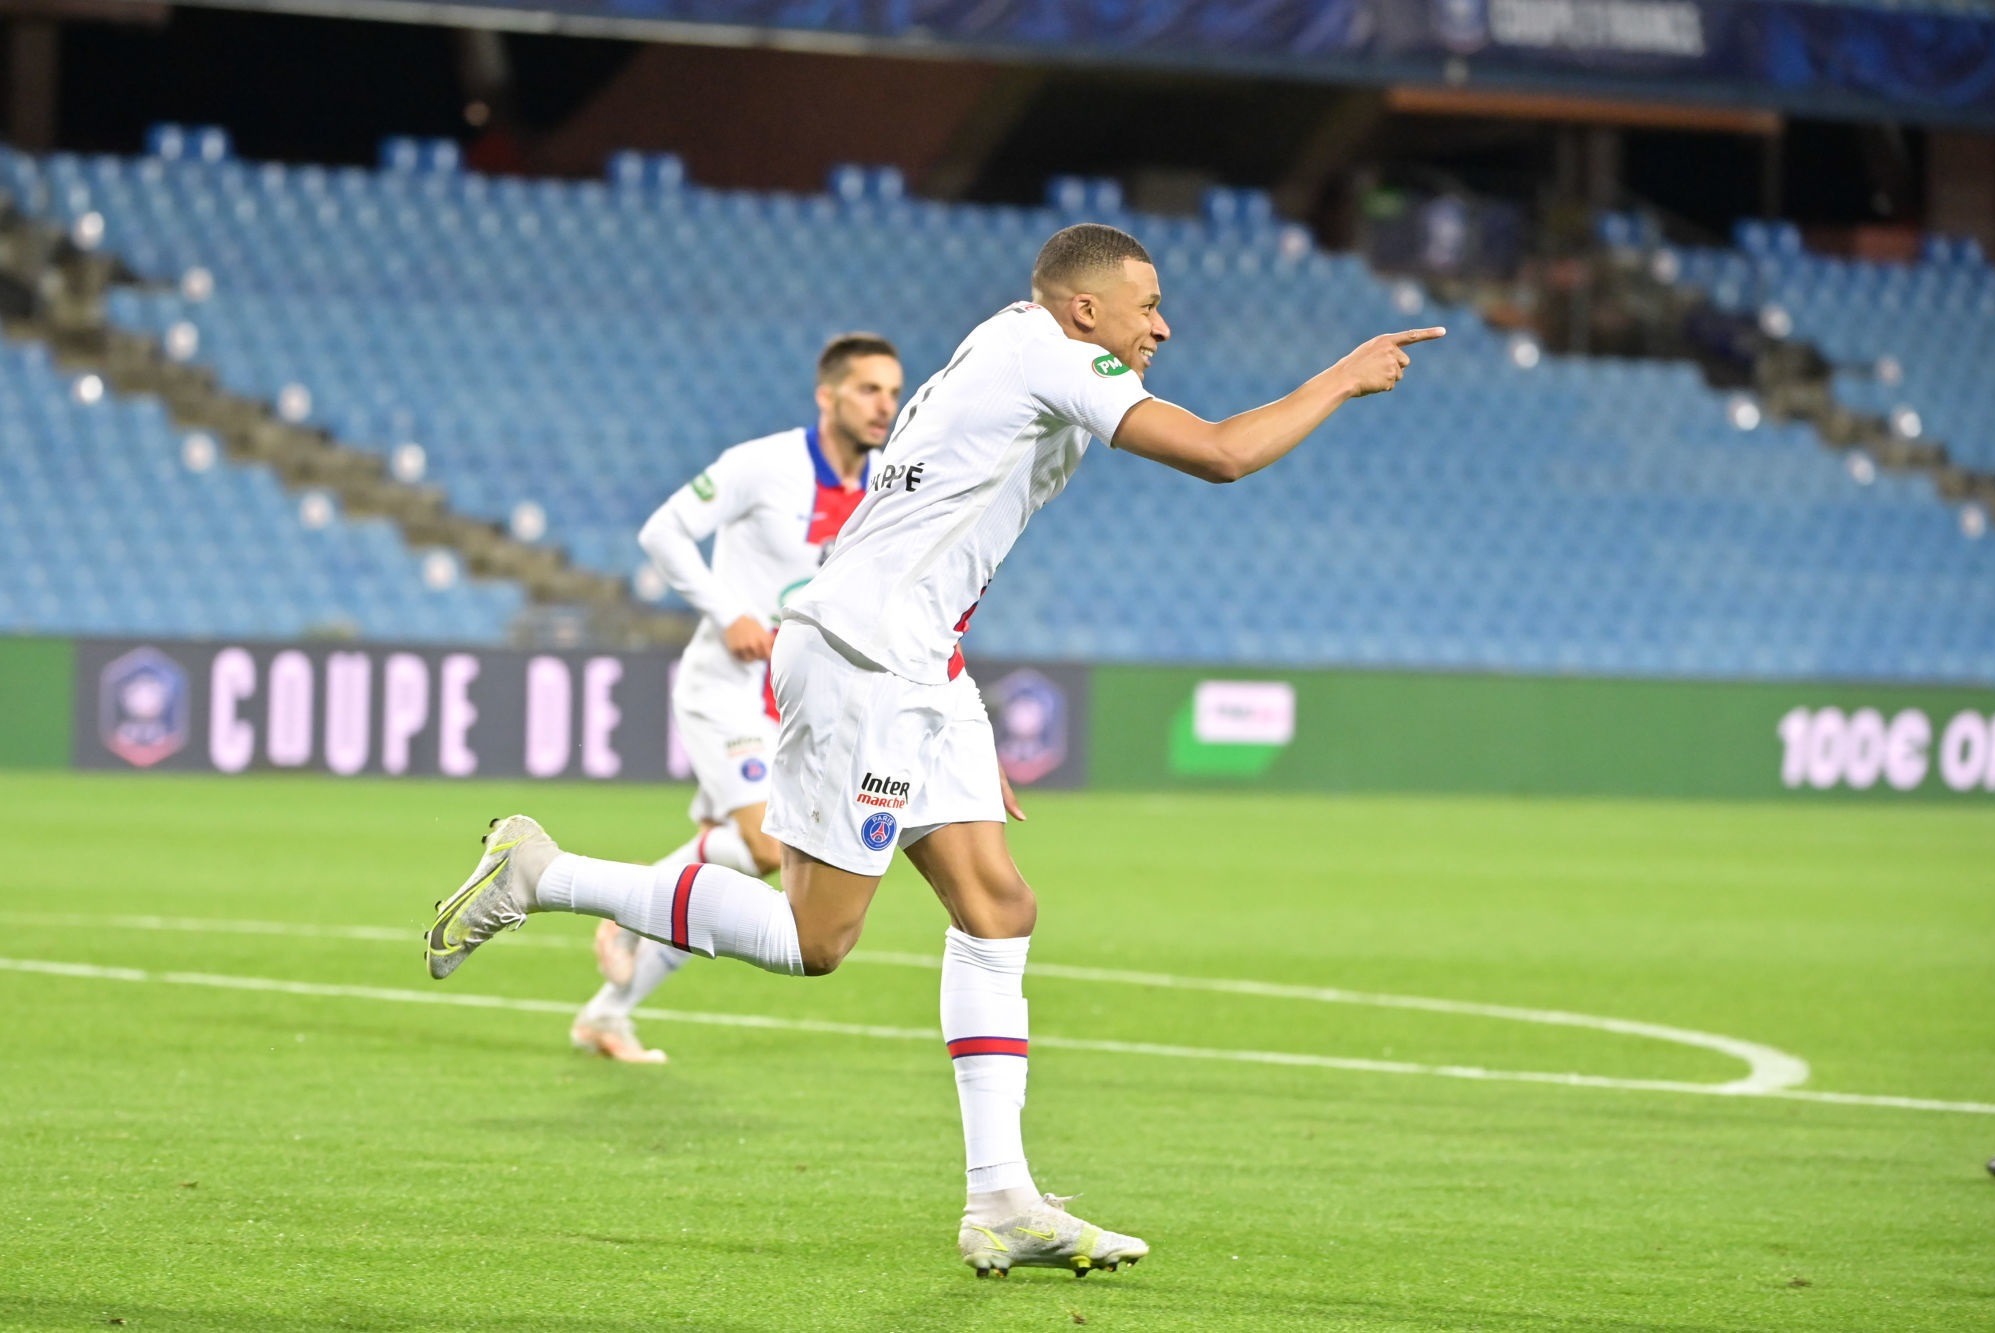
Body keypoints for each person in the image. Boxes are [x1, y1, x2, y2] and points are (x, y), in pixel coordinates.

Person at [426, 223, 1442, 1276]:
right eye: (1147, 306)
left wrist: (951, 718)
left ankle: (1002, 1200)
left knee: (998, 905)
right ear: (1085, 308)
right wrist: (1342, 377)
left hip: (918, 665)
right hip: (866, 658)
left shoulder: (1004, 340)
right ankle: (542, 873)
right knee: (816, 939)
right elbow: (1221, 454)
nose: (1163, 326)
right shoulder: (1055, 354)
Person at [570, 333, 904, 1063]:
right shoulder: (765, 464)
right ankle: (623, 912)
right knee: (767, 846)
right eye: (868, 389)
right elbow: (663, 531)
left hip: (800, 704)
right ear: (827, 396)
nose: (885, 405)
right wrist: (729, 612)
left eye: (892, 391)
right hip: (726, 688)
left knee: (732, 868)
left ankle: (606, 1013)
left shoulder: (887, 483)